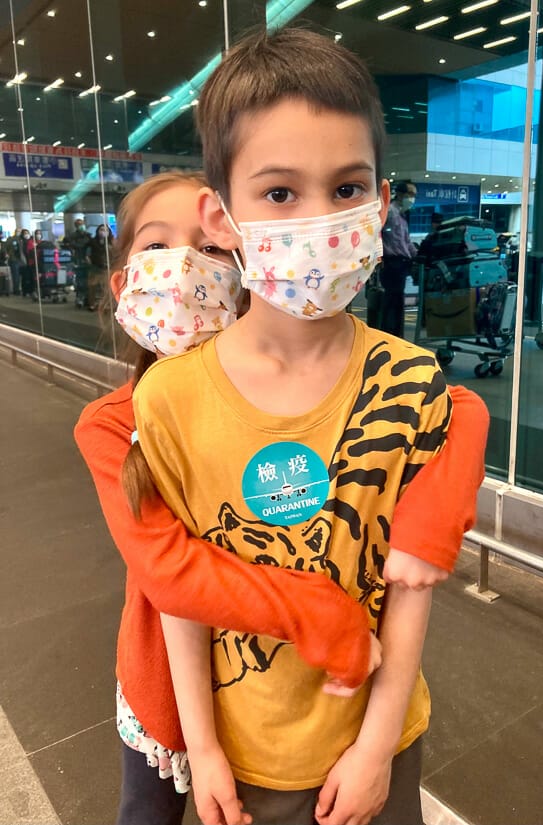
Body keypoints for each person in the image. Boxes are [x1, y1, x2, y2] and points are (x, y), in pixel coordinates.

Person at [128, 28, 489, 825]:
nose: (320, 220)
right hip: (245, 751)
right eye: (280, 193)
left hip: (379, 744)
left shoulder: (412, 380)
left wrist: (374, 751)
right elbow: (179, 593)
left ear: (382, 202)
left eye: (348, 186)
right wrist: (204, 749)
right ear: (219, 216)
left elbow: (408, 590)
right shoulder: (172, 398)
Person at [76, 170, 384, 825]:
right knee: (147, 811)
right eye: (156, 247)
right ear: (124, 283)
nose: (185, 266)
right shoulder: (109, 422)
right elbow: (172, 570)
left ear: (246, 267)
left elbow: (435, 400)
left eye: (211, 249)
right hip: (164, 684)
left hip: (283, 700)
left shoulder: (283, 398)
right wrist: (325, 615)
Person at [376, 180, 418, 338]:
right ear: (400, 194)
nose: (412, 198)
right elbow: (376, 233)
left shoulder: (402, 216)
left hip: (401, 264)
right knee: (392, 303)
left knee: (397, 302)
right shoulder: (390, 212)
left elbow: (406, 242)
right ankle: (390, 336)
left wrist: (417, 255)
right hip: (391, 263)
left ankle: (395, 336)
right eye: (410, 194)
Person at [87, 223, 113, 310]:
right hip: (95, 267)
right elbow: (88, 254)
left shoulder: (111, 242)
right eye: (101, 230)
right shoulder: (93, 242)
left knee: (106, 288)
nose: (103, 232)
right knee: (93, 286)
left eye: (105, 230)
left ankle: (106, 305)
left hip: (107, 267)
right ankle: (92, 304)